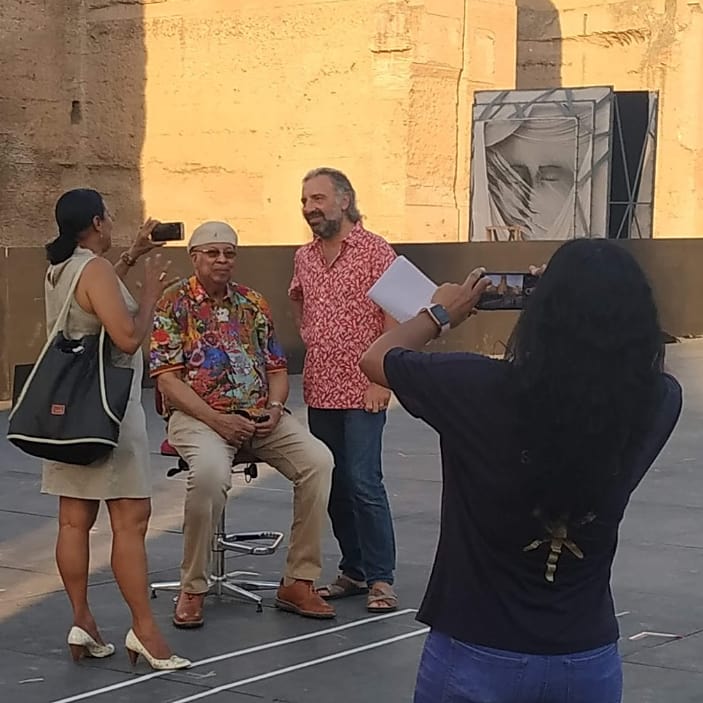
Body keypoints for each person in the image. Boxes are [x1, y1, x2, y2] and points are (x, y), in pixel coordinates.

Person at [360, 239, 682, 703]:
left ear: (541, 313)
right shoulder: (658, 403)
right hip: (585, 657)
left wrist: (440, 313)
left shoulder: (476, 388)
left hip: (477, 650)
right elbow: (646, 370)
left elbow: (376, 358)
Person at [150, 220, 335, 628]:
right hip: (198, 416)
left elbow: (278, 369)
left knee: (318, 462)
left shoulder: (253, 303)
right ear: (194, 256)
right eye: (212, 253)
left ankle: (298, 581)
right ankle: (193, 587)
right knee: (212, 474)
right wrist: (217, 419)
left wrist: (274, 407)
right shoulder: (174, 303)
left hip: (256, 415)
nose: (222, 260)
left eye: (229, 253)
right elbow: (167, 378)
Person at [41, 188, 189, 671]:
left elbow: (90, 302)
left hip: (69, 414)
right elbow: (126, 335)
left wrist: (132, 255)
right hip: (107, 412)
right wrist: (148, 297)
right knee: (131, 522)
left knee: (73, 521)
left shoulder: (62, 268)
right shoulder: (94, 270)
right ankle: (145, 631)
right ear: (99, 222)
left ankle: (82, 619)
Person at [289, 167, 399, 613]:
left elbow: (397, 318)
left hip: (362, 389)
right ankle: (353, 569)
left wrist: (381, 379)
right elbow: (299, 301)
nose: (310, 209)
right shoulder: (304, 257)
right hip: (320, 388)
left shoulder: (377, 252)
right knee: (331, 484)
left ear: (345, 200)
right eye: (305, 202)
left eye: (318, 199)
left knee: (364, 482)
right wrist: (317, 337)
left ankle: (381, 578)